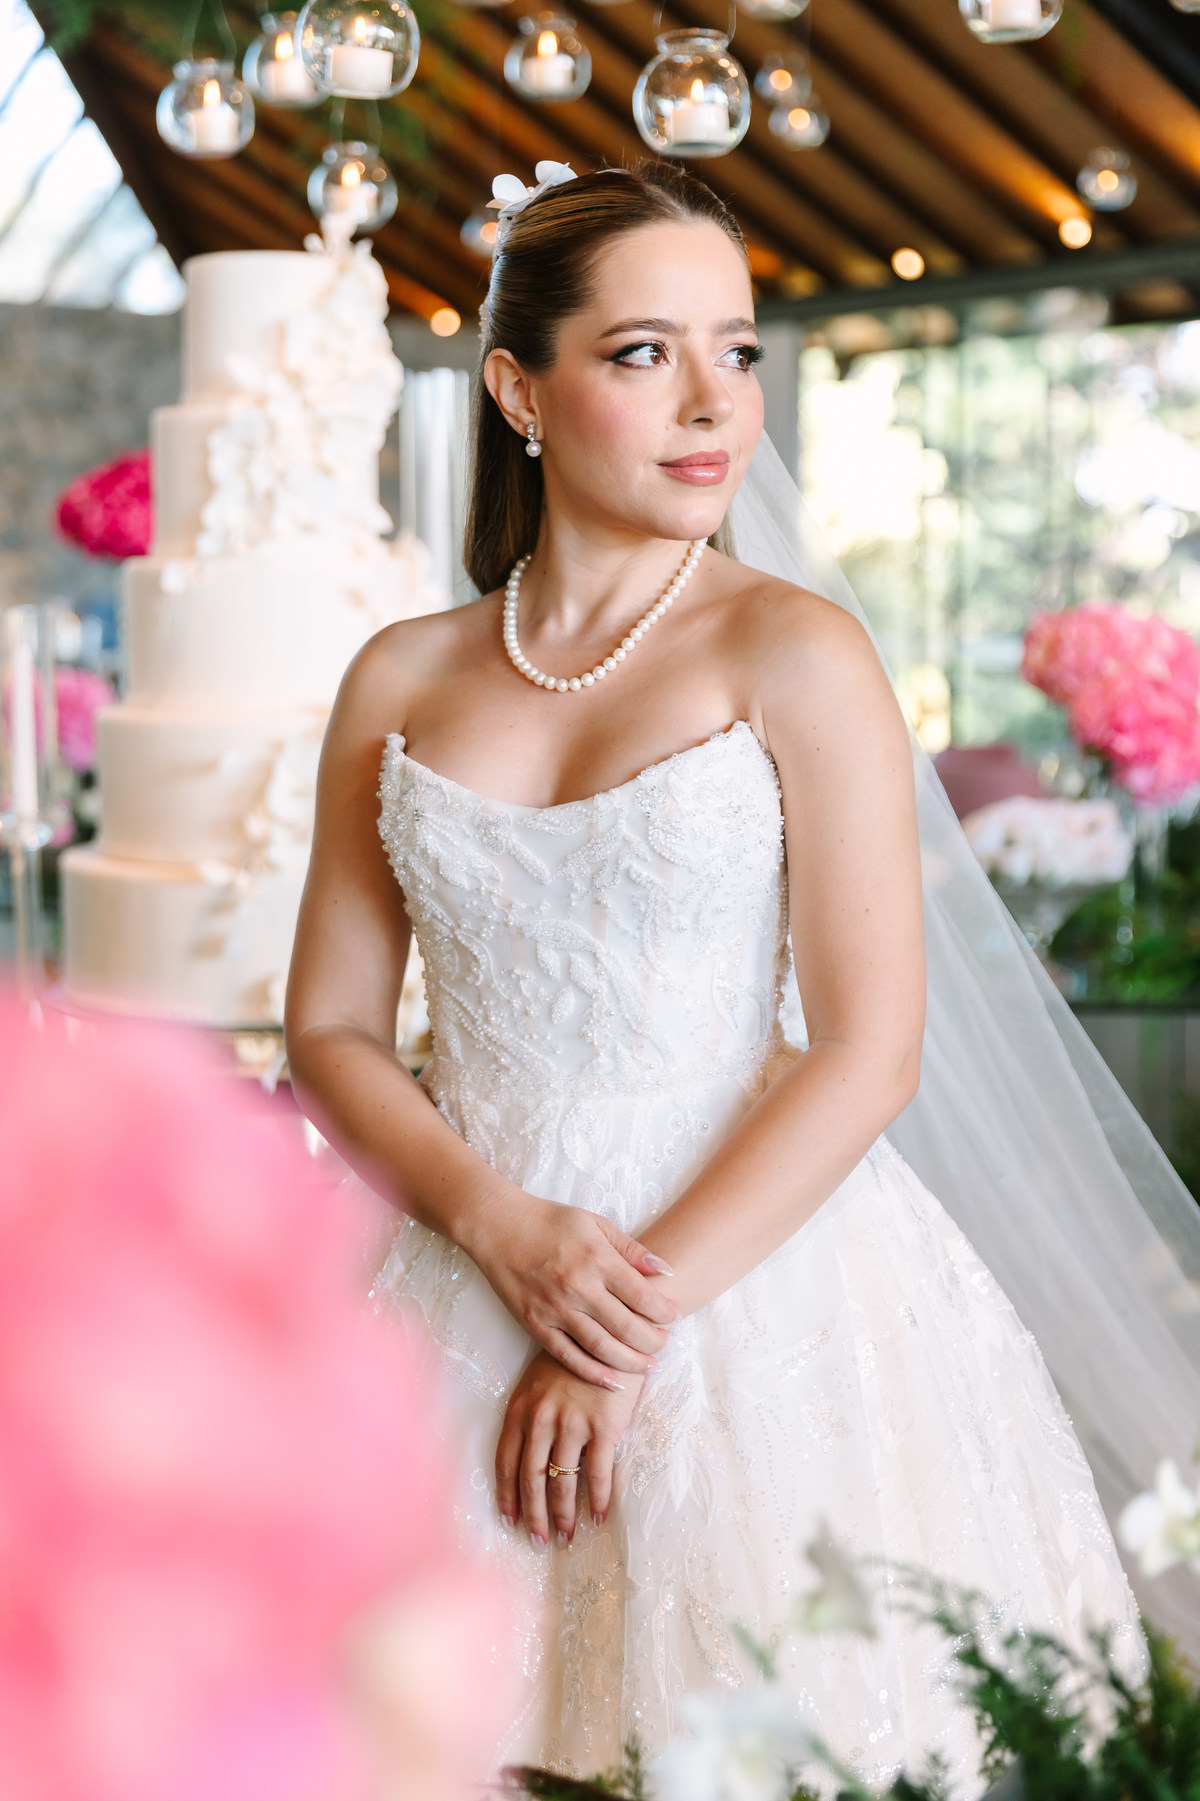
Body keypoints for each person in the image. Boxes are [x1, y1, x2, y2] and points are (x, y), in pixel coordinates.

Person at [284, 159, 1195, 1791]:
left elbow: (868, 1049)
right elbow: (334, 1025)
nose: (714, 405)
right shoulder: (399, 676)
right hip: (463, 1276)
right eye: (643, 353)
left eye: (742, 351)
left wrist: (612, 1331)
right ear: (519, 389)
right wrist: (503, 1232)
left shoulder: (797, 649)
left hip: (759, 1287)